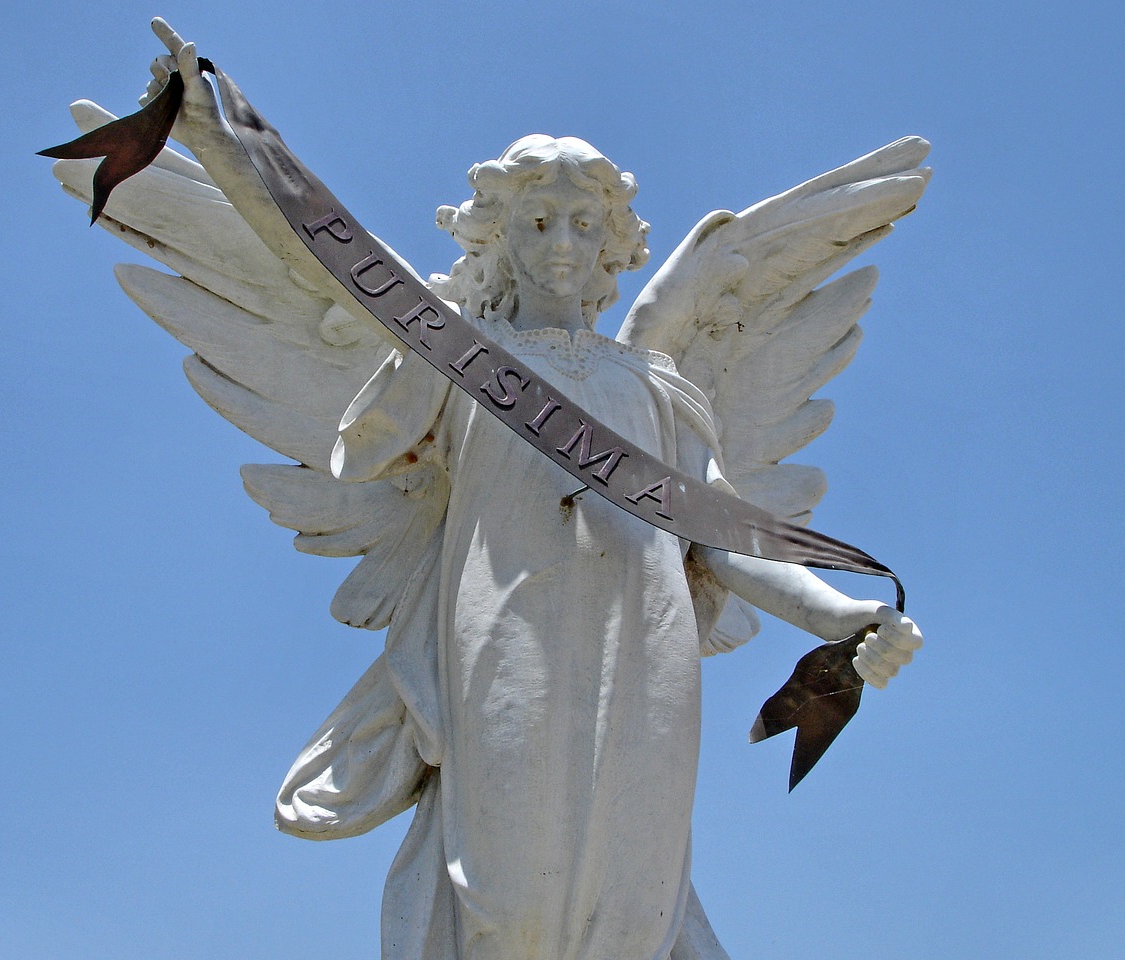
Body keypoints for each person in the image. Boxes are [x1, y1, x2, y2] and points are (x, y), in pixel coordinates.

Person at [139, 19, 923, 960]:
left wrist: (843, 616)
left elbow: (724, 537)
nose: (561, 243)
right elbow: (323, 258)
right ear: (499, 237)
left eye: (584, 224)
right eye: (537, 222)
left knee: (631, 902)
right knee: (506, 898)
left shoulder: (656, 385)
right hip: (505, 625)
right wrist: (217, 143)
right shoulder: (460, 359)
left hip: (642, 640)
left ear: (612, 245)